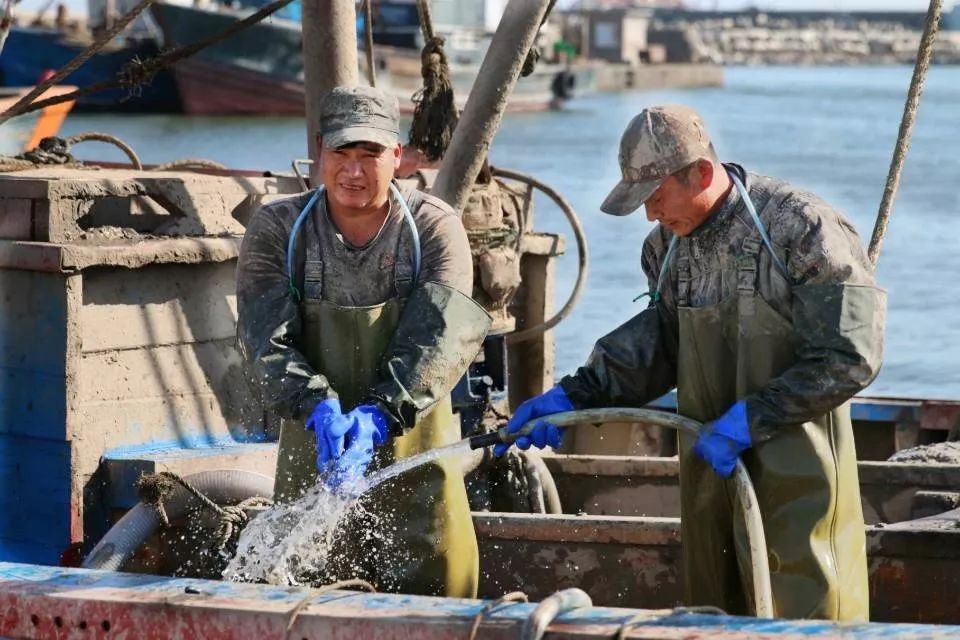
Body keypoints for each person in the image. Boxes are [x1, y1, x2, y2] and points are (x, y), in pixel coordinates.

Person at [495, 104, 885, 620]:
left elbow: (851, 354)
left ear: (701, 173)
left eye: (656, 197)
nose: (651, 214)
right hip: (710, 478)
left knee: (806, 615)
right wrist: (575, 394)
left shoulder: (801, 226)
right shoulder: (665, 249)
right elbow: (660, 344)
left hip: (800, 481)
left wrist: (754, 418)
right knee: (711, 612)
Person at [236, 85, 490, 597]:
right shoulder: (279, 229)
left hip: (417, 448)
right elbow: (264, 338)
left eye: (370, 155)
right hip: (315, 452)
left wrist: (379, 413)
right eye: (341, 154)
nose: (353, 172)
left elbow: (440, 340)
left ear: (396, 156)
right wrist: (317, 405)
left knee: (438, 596)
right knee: (306, 595)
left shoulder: (434, 228)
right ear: (318, 153)